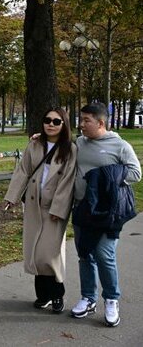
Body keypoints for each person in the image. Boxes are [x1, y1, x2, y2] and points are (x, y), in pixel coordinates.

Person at [70, 102, 141, 327]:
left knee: (104, 255)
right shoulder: (80, 142)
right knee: (85, 254)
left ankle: (111, 299)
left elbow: (135, 173)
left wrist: (103, 177)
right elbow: (58, 146)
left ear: (100, 123)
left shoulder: (119, 145)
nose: (81, 125)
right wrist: (38, 138)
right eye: (81, 120)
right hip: (82, 209)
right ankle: (88, 298)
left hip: (107, 212)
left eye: (86, 121)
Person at [4, 107, 76, 313]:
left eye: (56, 121)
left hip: (54, 208)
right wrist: (12, 197)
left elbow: (68, 182)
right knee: (35, 252)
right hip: (33, 205)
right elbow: (23, 171)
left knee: (50, 254)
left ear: (64, 125)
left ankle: (57, 295)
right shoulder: (35, 144)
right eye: (47, 120)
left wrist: (59, 208)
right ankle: (42, 295)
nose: (50, 125)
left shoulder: (70, 149)